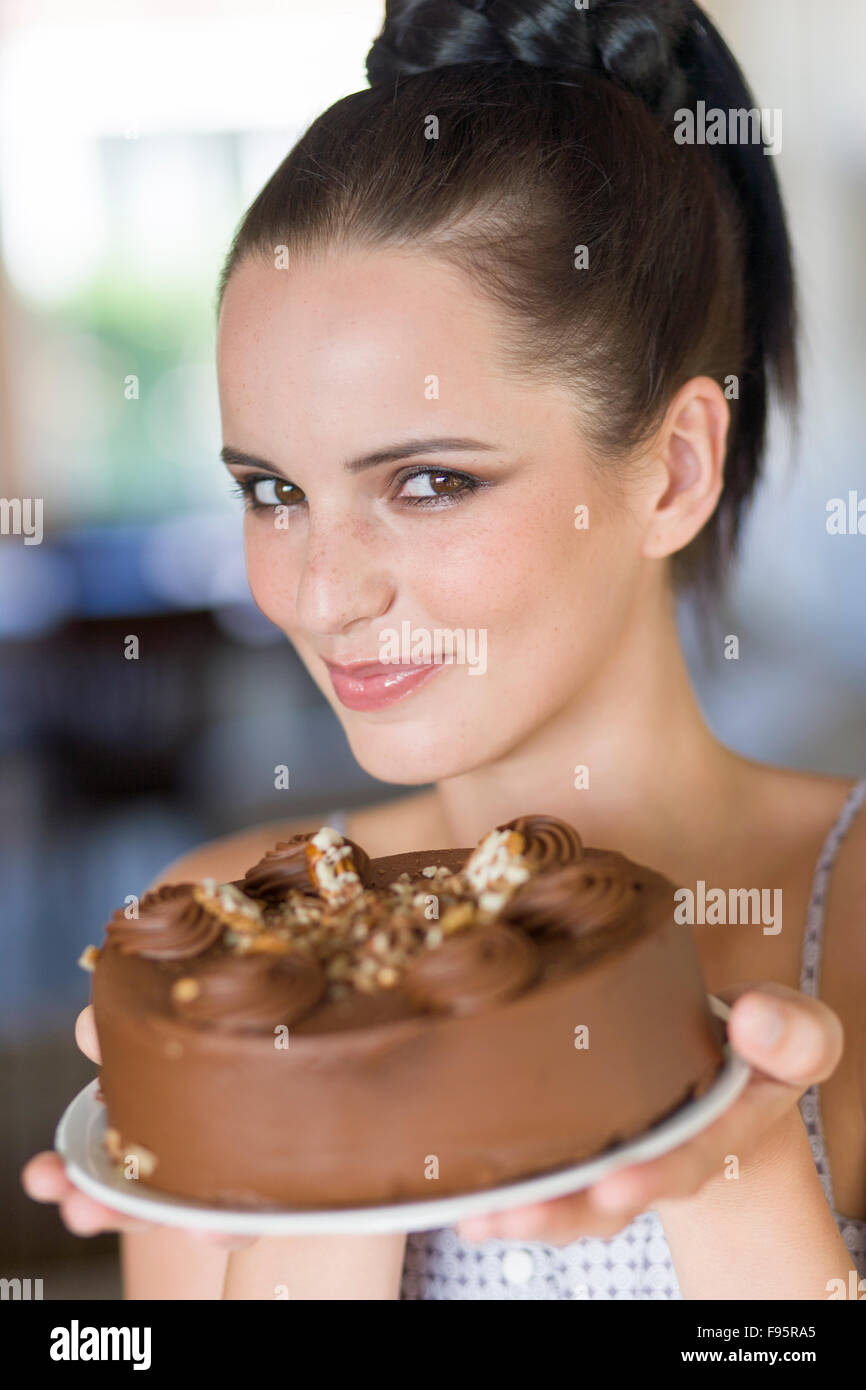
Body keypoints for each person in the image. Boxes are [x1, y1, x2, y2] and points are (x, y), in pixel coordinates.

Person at [23, 0, 866, 1299]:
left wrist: (729, 1168)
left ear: (671, 468)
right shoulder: (230, 940)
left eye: (425, 483)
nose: (318, 594)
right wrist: (310, 1136)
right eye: (270, 489)